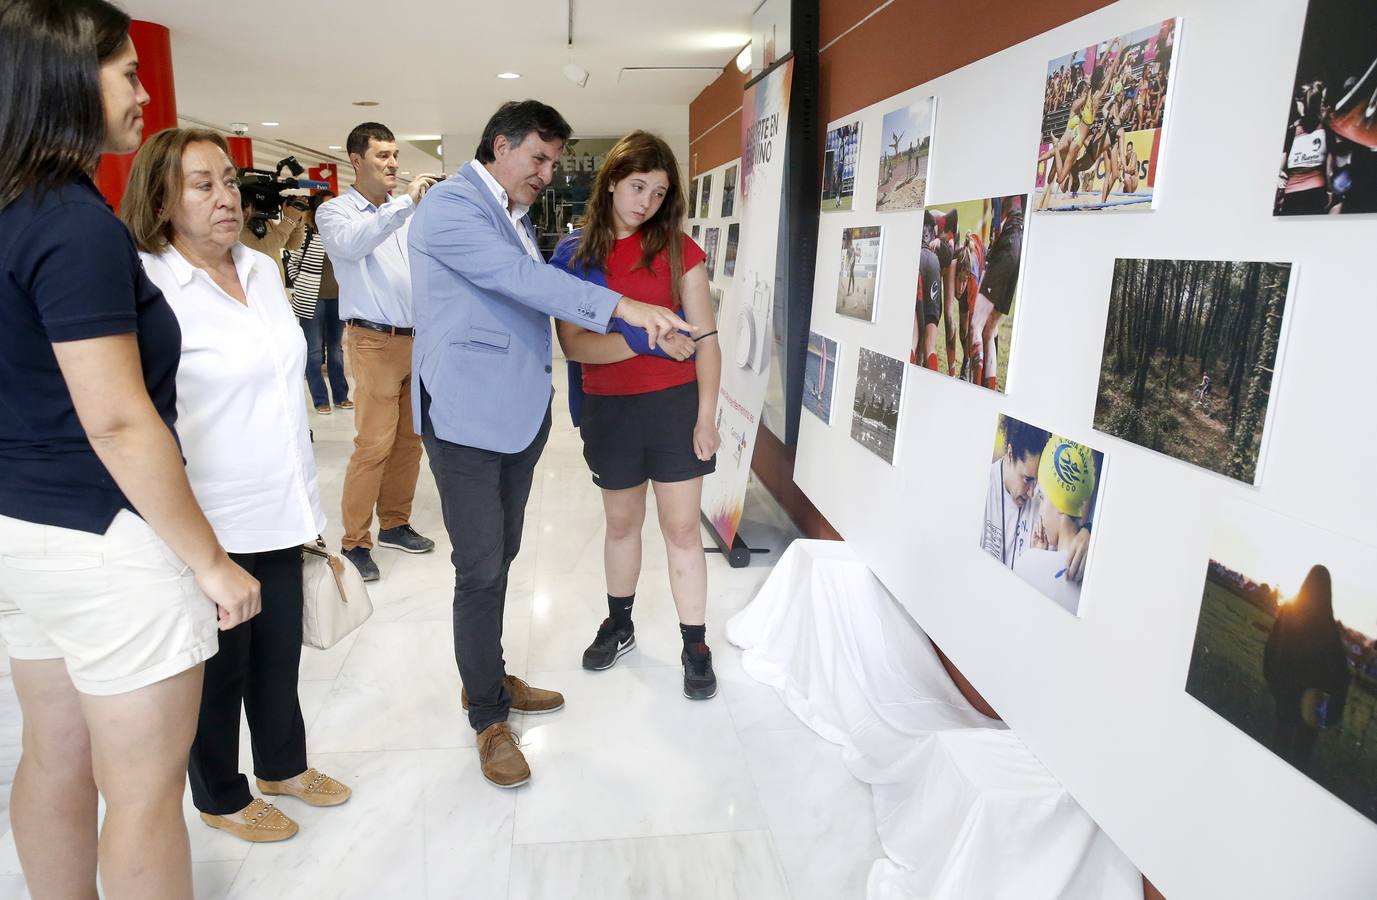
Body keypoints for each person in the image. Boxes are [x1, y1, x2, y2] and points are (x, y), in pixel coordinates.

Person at [0, 2, 260, 896]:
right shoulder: (71, 224)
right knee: (145, 794)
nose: (143, 93)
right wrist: (211, 561)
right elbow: (115, 418)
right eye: (128, 74)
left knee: (52, 755)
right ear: (68, 82)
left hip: (21, 530)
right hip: (105, 541)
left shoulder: (8, 209)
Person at [408, 100, 692, 788]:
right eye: (537, 157)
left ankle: (489, 676)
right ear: (498, 146)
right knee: (479, 568)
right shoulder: (451, 206)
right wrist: (625, 308)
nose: (546, 172)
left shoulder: (506, 213)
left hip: (514, 413)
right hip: (465, 416)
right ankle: (487, 718)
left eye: (553, 161)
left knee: (498, 556)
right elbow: (522, 282)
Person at [124, 127, 351, 844]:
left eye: (228, 180)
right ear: (161, 200)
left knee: (278, 656)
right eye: (203, 185)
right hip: (207, 518)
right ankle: (220, 795)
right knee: (218, 675)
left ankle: (282, 765)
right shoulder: (149, 284)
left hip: (281, 506)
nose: (226, 198)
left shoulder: (257, 269)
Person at [549, 131, 722, 701]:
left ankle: (695, 642)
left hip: (675, 408)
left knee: (680, 530)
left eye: (658, 191)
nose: (645, 201)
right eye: (637, 186)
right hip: (610, 408)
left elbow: (707, 340)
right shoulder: (576, 255)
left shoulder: (678, 249)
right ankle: (619, 624)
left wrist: (706, 416)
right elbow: (575, 346)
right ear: (613, 183)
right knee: (621, 524)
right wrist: (648, 339)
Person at [316, 122, 439, 581]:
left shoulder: (404, 214)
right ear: (355, 159)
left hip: (416, 340)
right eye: (381, 156)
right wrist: (407, 203)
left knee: (411, 440)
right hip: (372, 340)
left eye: (394, 155)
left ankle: (395, 523)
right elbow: (354, 243)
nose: (392, 164)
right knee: (373, 445)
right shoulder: (337, 213)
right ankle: (354, 540)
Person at [1263, 565, 1351, 773]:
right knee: (1299, 763)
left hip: (1285, 700)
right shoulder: (1330, 629)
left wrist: (1277, 688)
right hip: (1311, 711)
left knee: (1279, 751)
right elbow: (1341, 677)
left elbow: (1271, 653)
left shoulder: (1288, 613)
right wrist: (1329, 714)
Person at [288, 190, 352, 414]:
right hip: (311, 300)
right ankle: (320, 399)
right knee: (314, 351)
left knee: (336, 350)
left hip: (338, 299)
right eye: (326, 205)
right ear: (316, 209)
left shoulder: (341, 232)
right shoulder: (306, 232)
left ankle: (341, 395)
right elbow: (292, 261)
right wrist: (302, 284)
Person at [968, 195, 1024, 391]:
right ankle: (988, 389)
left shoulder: (1000, 196)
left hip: (1006, 242)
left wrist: (988, 248)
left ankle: (974, 388)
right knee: (989, 329)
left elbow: (995, 222)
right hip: (1019, 246)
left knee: (976, 324)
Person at [980, 418, 1050, 568]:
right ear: (1010, 454)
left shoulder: (1042, 503)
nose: (1032, 492)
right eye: (1027, 479)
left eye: (1036, 481)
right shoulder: (984, 488)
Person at [239, 196, 305, 285]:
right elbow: (262, 251)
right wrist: (289, 220)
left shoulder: (264, 220)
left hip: (276, 289)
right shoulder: (238, 226)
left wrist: (297, 221)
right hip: (258, 291)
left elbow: (293, 245)